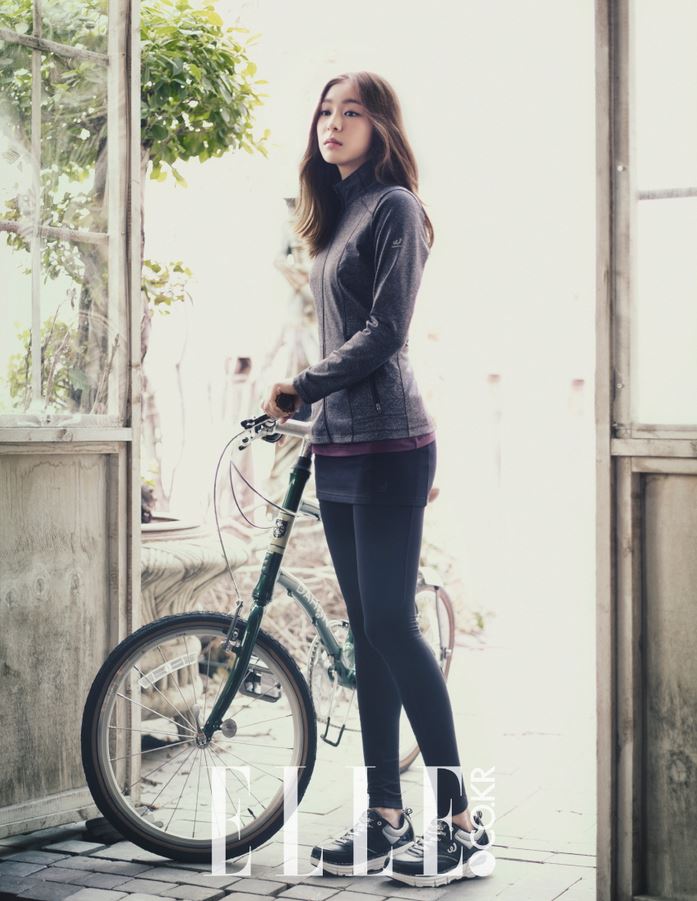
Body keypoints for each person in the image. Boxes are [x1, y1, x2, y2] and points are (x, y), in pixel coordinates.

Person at [261, 70, 492, 887]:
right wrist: (306, 408)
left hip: (392, 441)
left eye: (351, 111)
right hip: (339, 445)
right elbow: (336, 334)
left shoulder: (394, 207)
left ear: (380, 126)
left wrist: (304, 385)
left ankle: (462, 823)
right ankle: (386, 817)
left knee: (393, 623)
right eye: (324, 110)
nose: (332, 122)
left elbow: (385, 331)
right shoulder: (335, 215)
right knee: (366, 635)